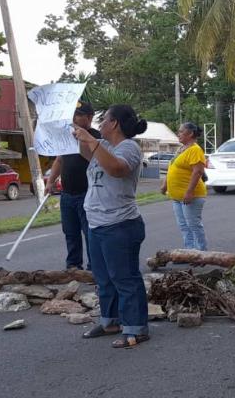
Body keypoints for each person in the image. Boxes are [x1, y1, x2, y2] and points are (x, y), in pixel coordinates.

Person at [72, 104, 150, 348]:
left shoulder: (129, 147)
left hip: (120, 225)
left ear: (115, 123)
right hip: (97, 223)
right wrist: (72, 127)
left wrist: (91, 140)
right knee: (103, 278)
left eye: (104, 119)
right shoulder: (102, 146)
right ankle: (110, 321)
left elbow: (117, 169)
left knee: (125, 278)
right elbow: (84, 151)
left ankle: (136, 328)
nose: (100, 124)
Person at [46, 100, 100, 270]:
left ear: (89, 117)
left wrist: (81, 140)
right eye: (73, 115)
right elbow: (59, 160)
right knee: (70, 233)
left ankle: (94, 268)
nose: (74, 119)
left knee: (90, 233)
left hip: (88, 193)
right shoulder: (66, 136)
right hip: (67, 194)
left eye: (78, 115)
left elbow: (96, 159)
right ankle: (73, 266)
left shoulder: (95, 137)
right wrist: (50, 180)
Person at [161, 122, 208, 251]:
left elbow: (198, 171)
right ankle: (189, 251)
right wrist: (165, 185)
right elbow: (172, 167)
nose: (178, 134)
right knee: (183, 225)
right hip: (177, 197)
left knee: (193, 225)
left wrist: (189, 192)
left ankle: (201, 253)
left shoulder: (195, 149)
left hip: (191, 196)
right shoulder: (181, 149)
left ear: (190, 133)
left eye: (181, 131)